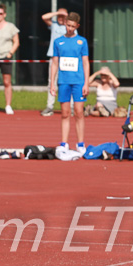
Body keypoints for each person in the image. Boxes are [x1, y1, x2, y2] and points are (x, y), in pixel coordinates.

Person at [50, 11, 89, 160]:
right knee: (65, 113)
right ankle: (64, 142)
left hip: (78, 81)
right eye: (68, 25)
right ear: (65, 23)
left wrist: (86, 82)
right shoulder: (58, 41)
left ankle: (80, 143)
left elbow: (85, 62)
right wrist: (52, 83)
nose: (70, 28)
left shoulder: (82, 42)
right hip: (64, 81)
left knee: (79, 112)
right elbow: (54, 63)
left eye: (73, 26)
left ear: (77, 26)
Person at [40, 8, 71, 116]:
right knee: (51, 82)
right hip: (54, 57)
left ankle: (70, 106)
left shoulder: (70, 28)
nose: (61, 19)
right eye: (59, 17)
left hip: (67, 59)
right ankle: (50, 106)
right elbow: (44, 17)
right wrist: (58, 13)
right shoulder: (54, 25)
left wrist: (67, 17)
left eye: (63, 17)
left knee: (68, 82)